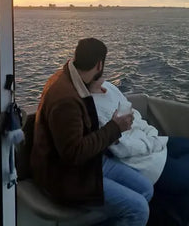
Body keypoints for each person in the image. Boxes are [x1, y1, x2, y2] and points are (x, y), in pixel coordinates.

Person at [31, 38, 153, 226]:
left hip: (89, 163)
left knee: (146, 189)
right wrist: (115, 127)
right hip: (65, 176)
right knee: (138, 209)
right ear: (99, 64)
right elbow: (74, 154)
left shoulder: (68, 77)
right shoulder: (66, 100)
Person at [92, 79, 189, 226]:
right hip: (138, 160)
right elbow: (122, 149)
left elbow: (134, 114)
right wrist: (152, 143)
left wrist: (151, 135)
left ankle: (164, 193)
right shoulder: (90, 106)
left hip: (150, 142)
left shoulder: (108, 87)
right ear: (98, 65)